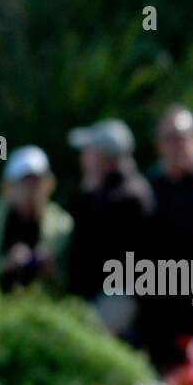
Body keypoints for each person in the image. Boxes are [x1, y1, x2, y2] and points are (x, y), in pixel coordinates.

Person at [66, 118, 155, 335]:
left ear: (104, 159)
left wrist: (89, 192)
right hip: (101, 295)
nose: (83, 157)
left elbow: (90, 240)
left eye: (89, 151)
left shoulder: (128, 196)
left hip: (116, 297)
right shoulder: (112, 191)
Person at [0, 145, 73, 299]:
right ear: (9, 185)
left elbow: (73, 278)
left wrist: (50, 269)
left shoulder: (62, 224)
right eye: (24, 183)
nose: (30, 190)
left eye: (36, 183)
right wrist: (4, 264)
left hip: (40, 309)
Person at [143, 105, 193, 367]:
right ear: (160, 145)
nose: (178, 145)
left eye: (183, 137)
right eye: (170, 138)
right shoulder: (147, 188)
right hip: (161, 290)